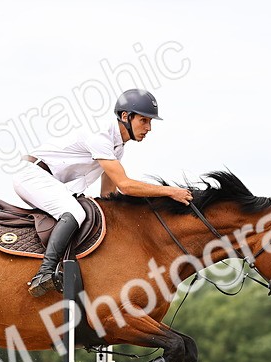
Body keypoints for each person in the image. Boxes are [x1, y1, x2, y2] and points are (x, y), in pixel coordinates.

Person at [13, 88, 193, 297]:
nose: (149, 128)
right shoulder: (100, 136)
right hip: (31, 176)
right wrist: (170, 192)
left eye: (150, 122)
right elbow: (125, 185)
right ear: (126, 117)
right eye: (144, 120)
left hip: (50, 181)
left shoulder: (118, 147)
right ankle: (44, 273)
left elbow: (109, 193)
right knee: (76, 212)